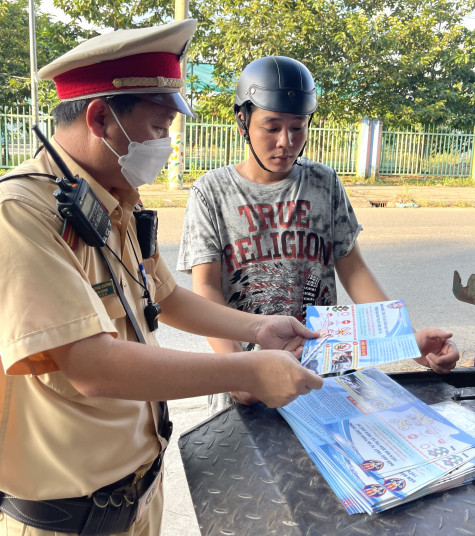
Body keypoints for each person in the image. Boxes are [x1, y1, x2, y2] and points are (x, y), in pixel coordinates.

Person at [0, 26, 326, 536]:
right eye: (159, 126)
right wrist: (246, 371)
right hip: (68, 520)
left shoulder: (112, 196)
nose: (167, 146)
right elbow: (90, 365)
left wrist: (257, 329)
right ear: (101, 118)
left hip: (138, 497)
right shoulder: (20, 214)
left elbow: (164, 297)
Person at [177, 55, 459, 414]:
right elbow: (206, 288)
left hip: (327, 371)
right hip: (250, 376)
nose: (285, 141)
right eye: (272, 126)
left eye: (298, 127)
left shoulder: (324, 183)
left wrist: (404, 341)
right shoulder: (212, 192)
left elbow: (353, 269)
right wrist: (238, 373)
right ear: (242, 121)